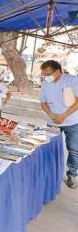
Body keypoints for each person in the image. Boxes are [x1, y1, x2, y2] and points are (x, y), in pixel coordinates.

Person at [39, 60, 78, 189]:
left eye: (48, 74)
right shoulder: (46, 83)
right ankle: (49, 173)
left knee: (73, 149)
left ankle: (72, 174)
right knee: (49, 148)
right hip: (52, 121)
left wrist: (63, 116)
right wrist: (51, 115)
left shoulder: (72, 80)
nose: (46, 77)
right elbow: (43, 102)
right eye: (44, 74)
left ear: (57, 71)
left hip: (71, 121)